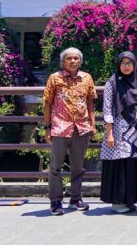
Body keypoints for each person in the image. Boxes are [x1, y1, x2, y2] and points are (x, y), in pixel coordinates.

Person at [43, 47, 97, 216]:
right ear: (63, 61)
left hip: (81, 128)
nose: (73, 61)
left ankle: (76, 198)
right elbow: (47, 103)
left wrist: (93, 125)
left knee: (78, 167)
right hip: (59, 127)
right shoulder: (55, 78)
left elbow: (90, 103)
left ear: (80, 61)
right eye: (69, 58)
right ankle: (56, 201)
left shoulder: (86, 78)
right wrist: (47, 128)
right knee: (55, 167)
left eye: (76, 58)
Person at [101, 52, 137, 213]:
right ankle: (118, 201)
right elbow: (107, 109)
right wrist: (109, 133)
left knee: (133, 165)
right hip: (118, 129)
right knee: (119, 164)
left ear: (134, 64)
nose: (126, 66)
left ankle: (131, 199)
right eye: (123, 63)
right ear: (118, 64)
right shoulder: (111, 83)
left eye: (129, 63)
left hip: (136, 129)